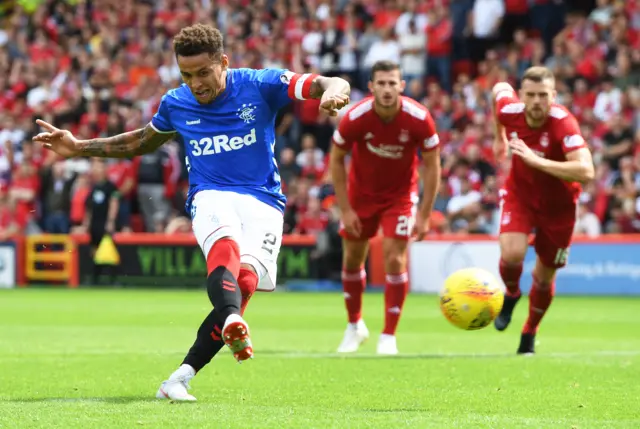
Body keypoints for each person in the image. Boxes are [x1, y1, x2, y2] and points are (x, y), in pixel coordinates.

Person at [33, 23, 351, 401]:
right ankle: (232, 318)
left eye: (203, 73)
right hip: (211, 194)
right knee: (226, 252)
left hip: (264, 201)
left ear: (224, 63)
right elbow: (139, 142)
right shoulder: (176, 103)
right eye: (187, 75)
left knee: (245, 284)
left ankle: (179, 377)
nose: (196, 83)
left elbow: (328, 83)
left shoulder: (259, 84)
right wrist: (80, 147)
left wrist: (333, 94)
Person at [329, 60, 441, 355]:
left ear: (402, 86)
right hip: (360, 196)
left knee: (395, 258)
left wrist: (425, 214)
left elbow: (433, 165)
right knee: (353, 259)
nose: (388, 89)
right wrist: (346, 209)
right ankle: (355, 326)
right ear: (372, 86)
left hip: (400, 197)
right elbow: (336, 158)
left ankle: (388, 335)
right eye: (382, 83)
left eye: (393, 83)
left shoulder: (419, 118)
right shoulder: (356, 117)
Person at [491, 66, 595, 354]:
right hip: (520, 194)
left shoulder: (563, 123)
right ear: (522, 95)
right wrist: (499, 136)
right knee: (511, 254)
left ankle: (529, 331)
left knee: (544, 276)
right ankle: (511, 293)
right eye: (531, 95)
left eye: (543, 96)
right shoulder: (509, 111)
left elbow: (586, 171)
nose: (537, 102)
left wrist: (539, 163)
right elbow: (498, 87)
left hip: (559, 207)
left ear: (554, 96)